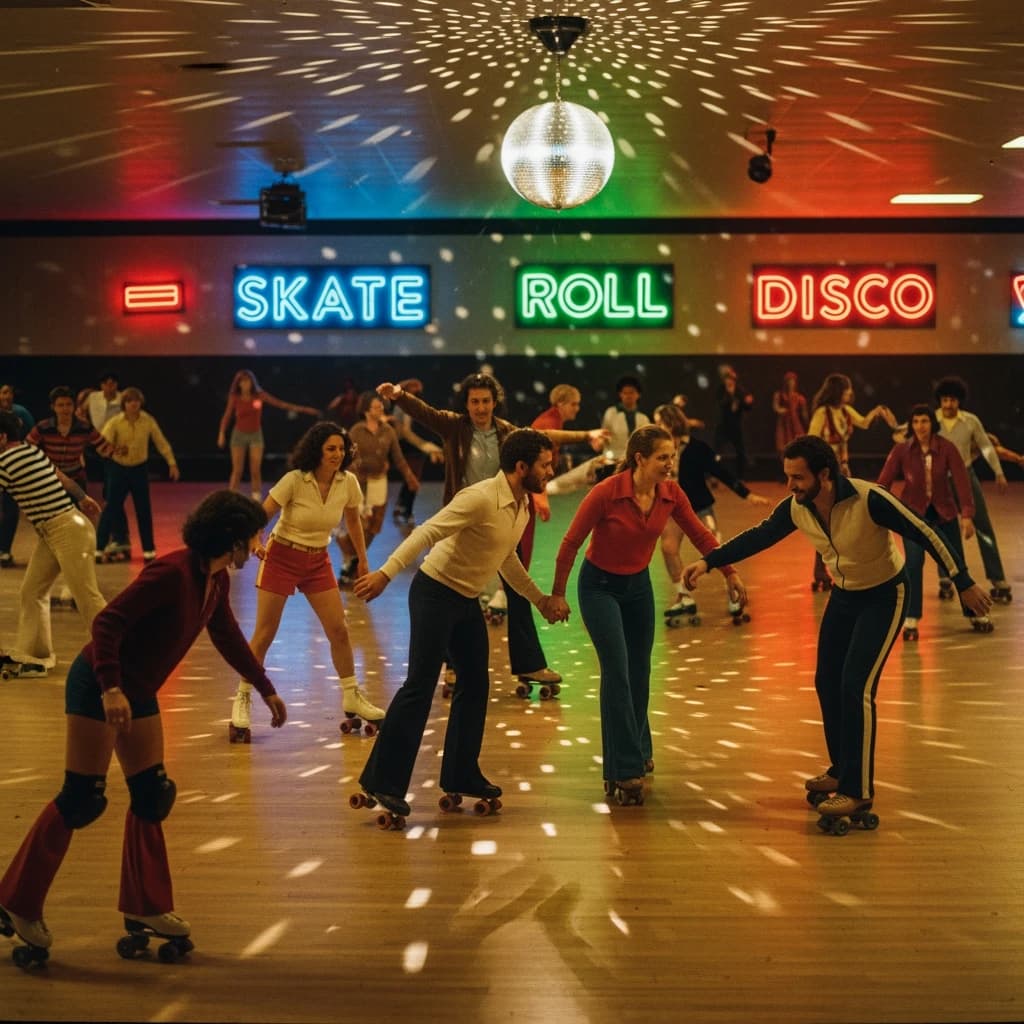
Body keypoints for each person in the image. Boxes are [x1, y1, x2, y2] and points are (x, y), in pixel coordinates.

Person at [0, 491, 286, 964]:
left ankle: (145, 907)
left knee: (152, 793)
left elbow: (227, 636)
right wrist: (111, 688)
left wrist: (264, 687)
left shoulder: (213, 580)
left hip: (139, 689)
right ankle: (16, 901)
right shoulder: (172, 573)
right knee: (81, 797)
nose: (259, 544)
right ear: (232, 539)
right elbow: (107, 624)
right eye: (254, 536)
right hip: (100, 684)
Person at [683, 435, 991, 826]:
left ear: (824, 474)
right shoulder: (797, 507)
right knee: (827, 681)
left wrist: (963, 581)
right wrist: (710, 562)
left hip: (885, 595)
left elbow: (925, 532)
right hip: (844, 596)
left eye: (798, 477)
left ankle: (858, 792)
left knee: (855, 686)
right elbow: (759, 535)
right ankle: (842, 768)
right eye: (788, 476)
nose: (790, 485)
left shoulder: (869, 498)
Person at [352, 429, 568, 821]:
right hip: (434, 593)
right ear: (522, 467)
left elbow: (506, 559)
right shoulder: (480, 497)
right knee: (420, 685)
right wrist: (385, 573)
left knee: (475, 684)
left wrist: (539, 600)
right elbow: (427, 531)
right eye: (545, 464)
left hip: (465, 601)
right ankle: (382, 782)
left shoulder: (521, 505)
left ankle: (460, 774)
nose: (551, 470)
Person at [552, 424, 744, 805]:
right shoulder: (606, 493)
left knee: (640, 672)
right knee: (617, 671)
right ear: (639, 459)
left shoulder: (671, 494)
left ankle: (639, 747)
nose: (670, 464)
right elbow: (571, 543)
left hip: (637, 588)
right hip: (599, 588)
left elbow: (702, 535)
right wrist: (557, 594)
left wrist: (729, 572)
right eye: (662, 458)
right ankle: (625, 768)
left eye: (672, 457)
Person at [377, 373, 602, 691]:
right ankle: (452, 665)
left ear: (495, 403)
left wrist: (587, 435)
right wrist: (399, 395)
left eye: (486, 401)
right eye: (474, 402)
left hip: (502, 515)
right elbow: (424, 413)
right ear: (466, 404)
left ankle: (530, 664)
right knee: (454, 590)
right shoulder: (455, 426)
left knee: (516, 588)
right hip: (464, 519)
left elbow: (542, 436)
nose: (480, 408)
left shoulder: (507, 432)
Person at [228, 421, 385, 743]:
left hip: (317, 560)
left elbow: (353, 520)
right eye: (330, 449)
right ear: (317, 451)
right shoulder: (295, 480)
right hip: (282, 557)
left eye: (341, 449)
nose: (337, 454)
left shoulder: (348, 482)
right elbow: (261, 514)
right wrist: (255, 541)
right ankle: (242, 697)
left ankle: (351, 695)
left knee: (339, 630)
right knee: (264, 634)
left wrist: (363, 559)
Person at [0, 411, 107, 677]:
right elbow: (62, 477)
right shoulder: (32, 452)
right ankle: (35, 658)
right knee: (32, 591)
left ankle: (120, 653)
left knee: (87, 596)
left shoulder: (5, 461)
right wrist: (83, 498)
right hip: (62, 528)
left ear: (1, 437)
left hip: (66, 530)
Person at [877, 405, 992, 640]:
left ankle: (973, 612)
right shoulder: (902, 450)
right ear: (911, 425)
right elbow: (883, 483)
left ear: (932, 424)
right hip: (913, 518)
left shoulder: (947, 448)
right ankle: (911, 618)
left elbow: (961, 481)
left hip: (944, 515)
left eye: (925, 421)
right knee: (913, 563)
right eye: (916, 422)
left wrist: (967, 514)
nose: (920, 426)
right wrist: (876, 510)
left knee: (956, 565)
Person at [652, 404, 769, 625]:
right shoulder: (657, 450)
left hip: (700, 507)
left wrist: (747, 494)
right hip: (672, 509)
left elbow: (721, 472)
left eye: (659, 422)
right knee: (668, 548)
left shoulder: (697, 448)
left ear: (671, 423)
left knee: (715, 550)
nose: (656, 426)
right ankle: (684, 596)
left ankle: (733, 591)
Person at [807, 372, 896, 589]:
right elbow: (811, 440)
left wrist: (876, 412)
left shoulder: (845, 411)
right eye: (847, 389)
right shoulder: (822, 412)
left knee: (845, 518)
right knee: (827, 519)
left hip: (842, 469)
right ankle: (820, 569)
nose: (850, 393)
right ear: (838, 390)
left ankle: (842, 566)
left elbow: (863, 423)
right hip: (826, 472)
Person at [932, 376, 1012, 604]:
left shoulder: (970, 421)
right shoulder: (932, 420)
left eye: (952, 400)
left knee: (983, 526)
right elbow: (909, 435)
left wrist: (998, 472)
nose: (948, 404)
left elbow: (986, 446)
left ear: (959, 401)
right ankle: (946, 577)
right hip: (940, 480)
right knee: (943, 529)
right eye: (945, 400)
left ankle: (997, 578)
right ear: (940, 401)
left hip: (966, 477)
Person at [335, 391, 420, 586]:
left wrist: (410, 477)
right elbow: (348, 457)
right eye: (375, 406)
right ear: (366, 410)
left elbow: (398, 458)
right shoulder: (356, 431)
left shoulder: (388, 431)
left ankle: (353, 561)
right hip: (359, 484)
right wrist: (352, 471)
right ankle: (352, 562)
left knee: (374, 527)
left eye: (381, 406)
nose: (380, 408)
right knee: (360, 525)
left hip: (379, 482)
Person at [96, 387, 180, 563]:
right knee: (111, 508)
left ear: (140, 403)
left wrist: (171, 463)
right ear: (124, 404)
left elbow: (161, 442)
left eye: (136, 401)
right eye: (129, 401)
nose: (133, 404)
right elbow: (101, 444)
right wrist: (114, 450)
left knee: (143, 509)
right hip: (118, 469)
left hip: (139, 470)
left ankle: (149, 550)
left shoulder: (148, 420)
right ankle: (99, 547)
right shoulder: (115, 422)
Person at [216, 369, 319, 500]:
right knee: (237, 471)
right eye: (242, 381)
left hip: (255, 435)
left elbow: (281, 404)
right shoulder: (234, 397)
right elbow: (227, 415)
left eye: (248, 381)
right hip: (239, 435)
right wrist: (221, 433)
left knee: (255, 469)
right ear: (238, 384)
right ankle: (230, 499)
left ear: (252, 383)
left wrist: (305, 410)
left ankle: (256, 499)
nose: (245, 384)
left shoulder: (259, 395)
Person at [80, 371, 130, 561]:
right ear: (101, 385)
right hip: (96, 449)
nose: (110, 386)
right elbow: (80, 414)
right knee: (109, 495)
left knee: (112, 495)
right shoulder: (93, 398)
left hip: (114, 451)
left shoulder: (123, 398)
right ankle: (118, 538)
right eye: (106, 383)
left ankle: (119, 537)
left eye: (113, 383)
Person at [389, 378, 443, 528]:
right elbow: (404, 432)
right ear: (406, 390)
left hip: (414, 446)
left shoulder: (414, 406)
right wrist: (424, 446)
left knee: (411, 478)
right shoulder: (402, 406)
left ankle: (402, 506)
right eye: (414, 389)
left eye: (419, 390)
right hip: (407, 446)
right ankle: (406, 511)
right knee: (412, 479)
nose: (417, 392)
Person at [0, 383, 36, 568]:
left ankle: (4, 550)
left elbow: (32, 435)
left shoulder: (21, 413)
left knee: (10, 509)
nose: (7, 396)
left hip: (13, 466)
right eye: (3, 392)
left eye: (10, 392)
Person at [714, 366, 755, 478]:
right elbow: (720, 404)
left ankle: (740, 476)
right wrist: (730, 396)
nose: (729, 381)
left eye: (732, 379)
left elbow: (747, 406)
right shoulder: (721, 390)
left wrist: (748, 402)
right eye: (727, 379)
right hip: (722, 425)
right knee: (717, 452)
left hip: (736, 426)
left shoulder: (740, 390)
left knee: (740, 451)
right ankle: (715, 474)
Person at [600, 375, 650, 462]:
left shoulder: (643, 418)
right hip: (613, 459)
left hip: (635, 460)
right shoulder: (611, 413)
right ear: (620, 394)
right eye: (625, 393)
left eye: (631, 392)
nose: (628, 396)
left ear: (638, 394)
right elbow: (604, 435)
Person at [772, 371, 809, 456]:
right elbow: (775, 406)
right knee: (783, 443)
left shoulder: (799, 397)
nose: (791, 383)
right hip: (784, 421)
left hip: (795, 421)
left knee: (798, 441)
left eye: (793, 381)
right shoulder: (779, 395)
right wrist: (780, 410)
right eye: (789, 381)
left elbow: (804, 413)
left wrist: (807, 420)